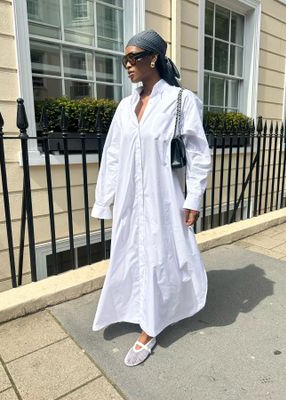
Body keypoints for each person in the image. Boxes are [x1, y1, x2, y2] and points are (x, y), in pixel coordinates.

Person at [91, 29, 211, 367]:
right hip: (131, 197)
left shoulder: (179, 101)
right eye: (124, 59)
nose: (127, 65)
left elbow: (199, 153)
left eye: (133, 57)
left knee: (161, 255)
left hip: (163, 195)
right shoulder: (126, 107)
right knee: (130, 253)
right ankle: (135, 308)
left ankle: (151, 325)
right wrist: (106, 199)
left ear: (153, 58)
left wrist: (193, 198)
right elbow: (113, 154)